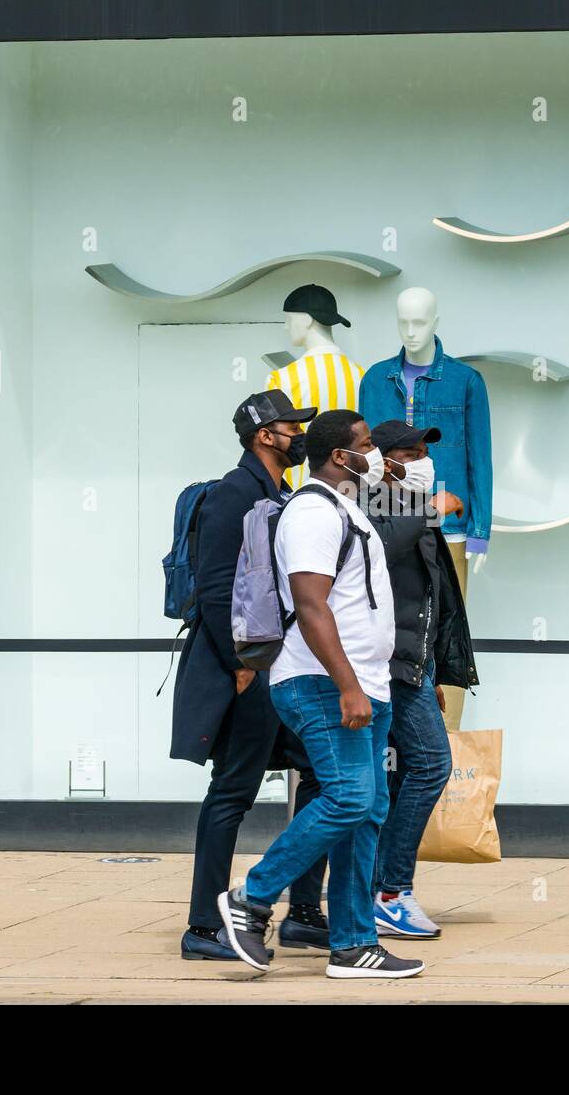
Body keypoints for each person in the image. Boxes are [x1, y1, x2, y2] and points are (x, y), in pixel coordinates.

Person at [218, 410, 424, 978]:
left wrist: (366, 685)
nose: (377, 454)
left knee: (366, 813)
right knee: (351, 799)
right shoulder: (311, 511)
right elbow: (311, 605)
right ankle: (251, 897)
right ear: (341, 456)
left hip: (362, 684)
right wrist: (348, 686)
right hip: (324, 684)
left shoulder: (345, 508)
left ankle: (354, 945)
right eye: (366, 445)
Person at [169, 390, 330, 960]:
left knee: (323, 777)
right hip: (248, 671)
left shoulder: (280, 494)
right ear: (266, 435)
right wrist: (240, 668)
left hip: (278, 670)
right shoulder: (235, 494)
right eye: (293, 427)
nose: (300, 437)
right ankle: (204, 927)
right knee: (232, 793)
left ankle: (305, 914)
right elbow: (216, 589)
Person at [364, 420, 479, 939]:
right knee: (431, 765)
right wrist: (433, 509)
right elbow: (379, 554)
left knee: (389, 779)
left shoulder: (412, 510)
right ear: (383, 463)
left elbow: (429, 603)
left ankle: (368, 892)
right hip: (383, 667)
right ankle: (389, 892)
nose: (420, 462)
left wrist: (432, 666)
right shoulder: (371, 508)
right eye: (408, 454)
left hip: (410, 666)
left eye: (422, 452)